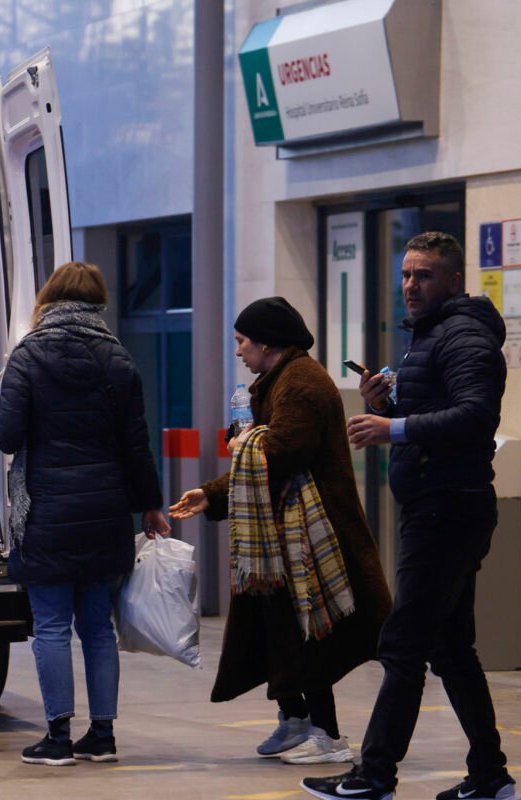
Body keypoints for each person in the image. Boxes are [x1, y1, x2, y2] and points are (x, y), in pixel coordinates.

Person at [302, 232, 520, 800]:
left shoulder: (465, 337)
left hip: (448, 509)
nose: (410, 285)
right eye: (405, 274)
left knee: (403, 645)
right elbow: (439, 413)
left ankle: (374, 776)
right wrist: (388, 404)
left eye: (424, 275)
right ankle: (490, 778)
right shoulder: (431, 335)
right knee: (450, 648)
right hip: (438, 504)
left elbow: (475, 416)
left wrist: (391, 428)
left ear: (453, 280)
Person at [170, 297, 391, 765]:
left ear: (266, 342)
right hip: (282, 533)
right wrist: (211, 494)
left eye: (242, 341)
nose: (238, 351)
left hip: (314, 534)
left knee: (310, 631)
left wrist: (242, 445)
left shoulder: (302, 383)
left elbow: (281, 452)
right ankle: (294, 718)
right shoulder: (279, 380)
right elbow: (262, 455)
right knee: (277, 625)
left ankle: (327, 735)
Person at [0, 261, 170, 767]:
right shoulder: (118, 359)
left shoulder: (28, 355)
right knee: (97, 627)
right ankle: (103, 735)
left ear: (49, 298)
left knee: (51, 625)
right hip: (106, 512)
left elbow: (6, 436)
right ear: (98, 302)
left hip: (47, 511)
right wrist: (150, 505)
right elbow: (137, 445)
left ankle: (56, 738)